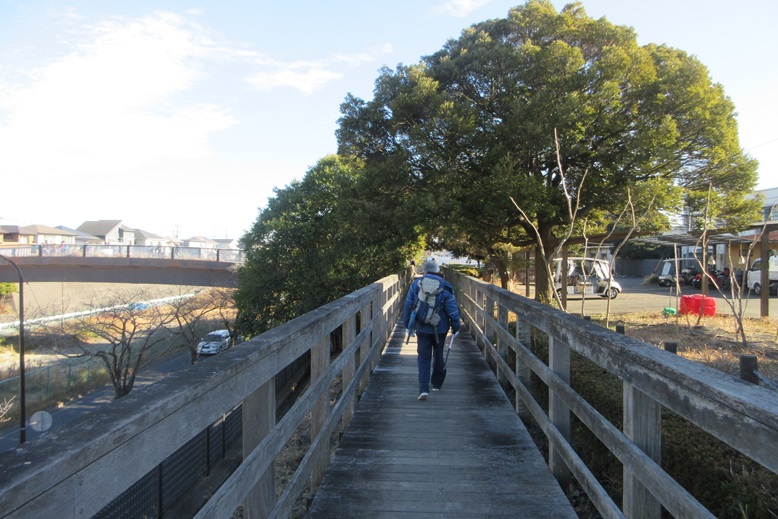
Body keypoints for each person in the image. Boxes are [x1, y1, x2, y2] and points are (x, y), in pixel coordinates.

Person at [402, 258, 461, 401]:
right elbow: (452, 309)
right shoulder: (445, 286)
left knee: (423, 357)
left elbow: (408, 304)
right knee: (438, 354)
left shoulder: (417, 284)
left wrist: (407, 324)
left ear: (424, 271)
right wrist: (456, 325)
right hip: (440, 328)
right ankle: (436, 383)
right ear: (437, 271)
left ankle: (423, 389)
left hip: (421, 327)